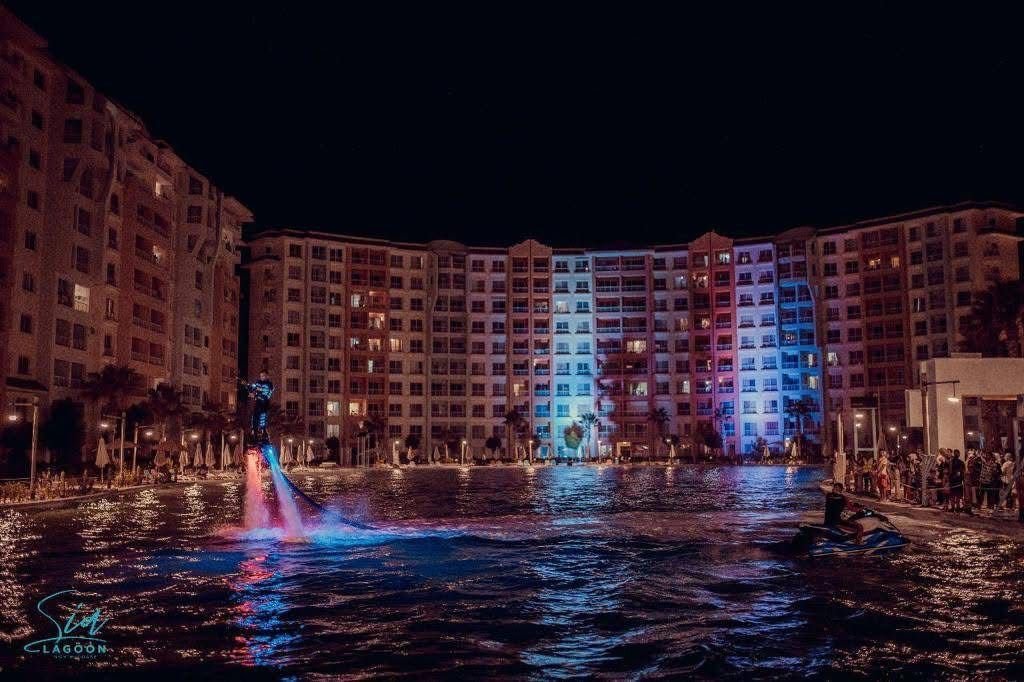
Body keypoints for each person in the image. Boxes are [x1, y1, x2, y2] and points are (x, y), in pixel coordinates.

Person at [242, 372, 274, 444]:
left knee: (263, 420)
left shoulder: (269, 385)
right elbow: (252, 387)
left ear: (267, 376)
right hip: (258, 404)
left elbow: (265, 396)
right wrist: (246, 385)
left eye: (263, 375)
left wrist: (255, 396)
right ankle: (255, 436)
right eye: (261, 376)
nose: (262, 377)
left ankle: (264, 434)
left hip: (264, 405)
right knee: (254, 419)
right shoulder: (258, 383)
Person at [948, 449, 965, 513]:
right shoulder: (959, 462)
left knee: (955, 495)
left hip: (956, 481)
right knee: (956, 495)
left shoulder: (953, 462)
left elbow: (962, 472)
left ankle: (955, 507)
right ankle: (956, 507)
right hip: (956, 481)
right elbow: (962, 472)